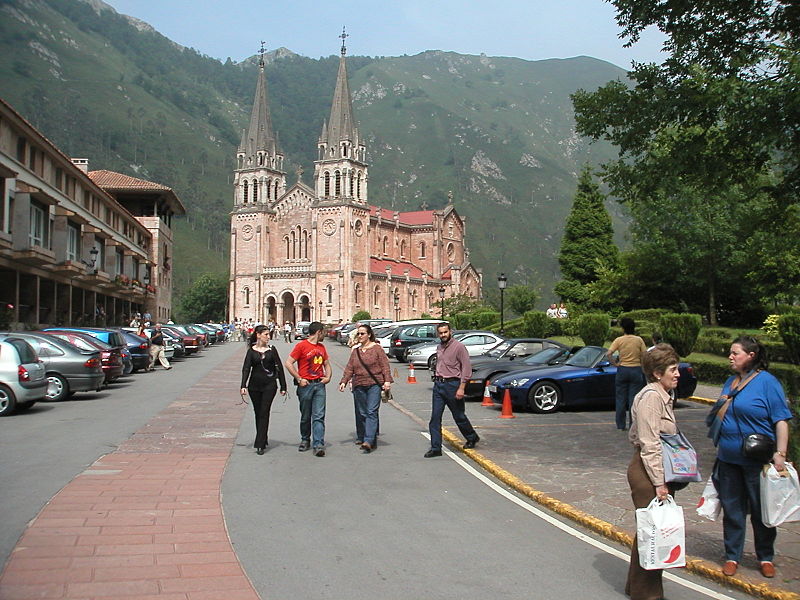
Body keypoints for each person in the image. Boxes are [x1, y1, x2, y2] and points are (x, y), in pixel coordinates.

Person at [710, 336, 791, 579]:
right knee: (732, 509)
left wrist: (781, 453)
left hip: (757, 461)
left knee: (761, 510)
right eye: (730, 353)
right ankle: (732, 555)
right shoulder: (729, 382)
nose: (730, 357)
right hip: (728, 459)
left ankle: (765, 556)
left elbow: (781, 420)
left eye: (736, 353)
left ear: (751, 355)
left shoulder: (767, 383)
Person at [626, 343, 683, 599]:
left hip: (652, 469)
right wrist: (659, 482)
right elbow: (650, 444)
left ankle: (637, 588)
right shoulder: (651, 398)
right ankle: (648, 594)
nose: (678, 373)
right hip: (648, 472)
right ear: (657, 373)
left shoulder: (662, 396)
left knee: (651, 531)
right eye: (673, 369)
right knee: (655, 534)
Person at [424, 322, 479, 457]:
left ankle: (471, 437)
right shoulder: (439, 347)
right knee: (435, 418)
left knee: (459, 416)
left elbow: (466, 368)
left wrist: (461, 388)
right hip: (439, 386)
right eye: (441, 333)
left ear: (451, 332)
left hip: (453, 385)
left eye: (445, 332)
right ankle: (436, 448)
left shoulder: (459, 347)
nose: (443, 335)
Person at [339, 324, 393, 453]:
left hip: (374, 384)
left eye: (362, 333)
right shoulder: (356, 350)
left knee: (371, 411)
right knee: (362, 412)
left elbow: (384, 365)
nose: (360, 336)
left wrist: (387, 381)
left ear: (369, 335)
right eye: (358, 334)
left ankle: (368, 440)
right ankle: (369, 438)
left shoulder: (377, 349)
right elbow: (350, 367)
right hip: (359, 384)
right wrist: (344, 381)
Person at [285, 321, 331, 457]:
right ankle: (305, 439)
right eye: (323, 332)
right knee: (306, 416)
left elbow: (327, 364)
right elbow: (288, 363)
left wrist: (327, 377)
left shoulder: (322, 348)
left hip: (319, 385)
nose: (324, 334)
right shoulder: (301, 346)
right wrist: (299, 378)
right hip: (306, 385)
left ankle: (318, 444)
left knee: (319, 416)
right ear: (318, 332)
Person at [240, 324, 287, 454]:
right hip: (254, 386)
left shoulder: (272, 350)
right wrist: (243, 385)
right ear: (258, 335)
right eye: (266, 334)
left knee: (264, 411)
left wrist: (283, 386)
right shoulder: (251, 351)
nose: (268, 337)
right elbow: (246, 368)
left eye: (269, 334)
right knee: (258, 412)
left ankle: (259, 443)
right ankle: (263, 437)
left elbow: (279, 367)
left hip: (269, 385)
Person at [607, 317, 647, 430]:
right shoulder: (638, 340)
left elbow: (609, 353)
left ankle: (620, 424)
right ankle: (633, 424)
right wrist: (643, 366)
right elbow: (644, 354)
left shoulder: (619, 340)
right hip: (636, 369)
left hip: (623, 369)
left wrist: (615, 364)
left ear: (623, 328)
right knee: (633, 399)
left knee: (620, 398)